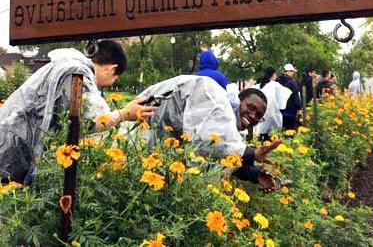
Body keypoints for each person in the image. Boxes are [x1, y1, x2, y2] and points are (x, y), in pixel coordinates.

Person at [0, 40, 155, 184]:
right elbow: (93, 121)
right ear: (112, 69)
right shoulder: (76, 71)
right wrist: (126, 113)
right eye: (116, 78)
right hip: (14, 152)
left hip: (11, 142)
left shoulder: (67, 66)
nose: (111, 84)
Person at [140, 75, 282, 191]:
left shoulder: (228, 126)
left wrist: (255, 174)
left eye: (258, 115)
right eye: (250, 107)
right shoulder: (215, 100)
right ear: (239, 99)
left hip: (159, 140)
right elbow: (213, 143)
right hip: (140, 127)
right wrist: (253, 154)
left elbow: (213, 155)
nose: (253, 116)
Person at [254, 67, 292, 141]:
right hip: (273, 114)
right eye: (275, 74)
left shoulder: (259, 86)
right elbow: (285, 95)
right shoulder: (275, 85)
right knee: (272, 137)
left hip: (261, 115)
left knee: (262, 137)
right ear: (272, 74)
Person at [278, 63, 302, 129]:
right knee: (290, 130)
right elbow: (296, 96)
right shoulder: (292, 82)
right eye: (292, 71)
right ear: (288, 71)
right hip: (290, 110)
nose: (293, 73)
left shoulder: (278, 81)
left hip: (279, 110)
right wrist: (298, 108)